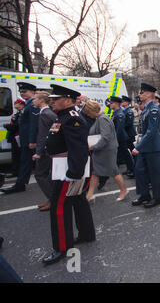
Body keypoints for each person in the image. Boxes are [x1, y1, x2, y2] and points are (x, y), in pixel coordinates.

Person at [42, 84, 95, 265]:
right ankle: (87, 234)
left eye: (56, 99)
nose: (52, 102)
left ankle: (62, 247)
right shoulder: (64, 116)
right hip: (65, 166)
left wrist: (73, 173)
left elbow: (78, 148)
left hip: (68, 169)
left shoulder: (72, 118)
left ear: (67, 100)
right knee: (78, 200)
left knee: (59, 206)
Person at [83, 101, 129, 202]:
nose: (88, 115)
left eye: (88, 112)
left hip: (106, 150)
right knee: (95, 172)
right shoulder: (100, 118)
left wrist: (93, 147)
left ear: (92, 110)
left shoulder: (102, 119)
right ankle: (89, 195)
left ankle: (123, 190)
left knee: (113, 171)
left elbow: (105, 138)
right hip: (102, 149)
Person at [1, 83, 39, 194]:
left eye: (25, 91)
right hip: (25, 139)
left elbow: (33, 124)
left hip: (30, 140)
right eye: (21, 91)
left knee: (41, 165)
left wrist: (32, 140)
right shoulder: (27, 105)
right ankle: (20, 184)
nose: (22, 93)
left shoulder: (32, 105)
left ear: (32, 92)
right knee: (25, 162)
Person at [131, 83, 160, 209]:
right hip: (145, 145)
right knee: (139, 171)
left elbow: (152, 131)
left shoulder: (154, 108)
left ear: (149, 94)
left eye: (142, 92)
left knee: (154, 173)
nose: (140, 94)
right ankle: (144, 195)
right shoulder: (146, 108)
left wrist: (138, 147)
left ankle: (157, 197)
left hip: (152, 147)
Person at [32, 91, 58, 212]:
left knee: (40, 175)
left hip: (46, 150)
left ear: (42, 100)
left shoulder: (45, 114)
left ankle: (53, 200)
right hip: (49, 149)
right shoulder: (48, 113)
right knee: (47, 175)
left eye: (35, 98)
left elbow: (45, 134)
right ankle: (53, 199)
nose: (33, 100)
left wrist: (39, 151)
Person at [109, 96, 135, 178]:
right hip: (120, 137)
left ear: (116, 104)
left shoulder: (120, 113)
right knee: (122, 154)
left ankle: (132, 170)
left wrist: (115, 138)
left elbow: (119, 128)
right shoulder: (116, 112)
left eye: (111, 103)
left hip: (121, 137)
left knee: (125, 154)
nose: (109, 104)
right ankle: (129, 169)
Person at [3, 99, 25, 178]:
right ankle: (15, 171)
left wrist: (7, 126)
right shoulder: (17, 114)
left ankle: (17, 171)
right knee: (15, 155)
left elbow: (17, 126)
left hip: (18, 137)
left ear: (21, 104)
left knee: (17, 155)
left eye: (16, 103)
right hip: (14, 137)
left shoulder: (21, 114)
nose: (15, 104)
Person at [122, 95, 137, 174]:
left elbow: (129, 123)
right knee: (127, 152)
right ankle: (130, 168)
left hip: (130, 134)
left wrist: (121, 126)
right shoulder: (124, 110)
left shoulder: (129, 111)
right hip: (126, 134)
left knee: (133, 151)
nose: (122, 102)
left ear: (127, 102)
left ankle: (135, 168)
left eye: (123, 101)